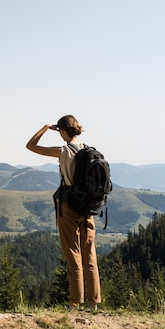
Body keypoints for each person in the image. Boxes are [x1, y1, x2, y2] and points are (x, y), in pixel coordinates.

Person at [26, 114, 101, 309]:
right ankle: (94, 303)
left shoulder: (63, 151)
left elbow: (31, 146)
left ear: (62, 131)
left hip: (68, 205)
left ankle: (75, 302)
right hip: (88, 207)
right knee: (89, 255)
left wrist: (44, 127)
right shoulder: (88, 149)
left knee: (73, 253)